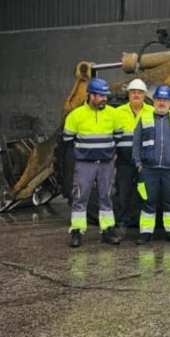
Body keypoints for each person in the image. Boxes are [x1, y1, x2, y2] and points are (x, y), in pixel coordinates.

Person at [63, 78, 120, 247]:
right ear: (91, 95)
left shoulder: (113, 114)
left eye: (106, 96)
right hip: (84, 164)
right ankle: (77, 231)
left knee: (106, 196)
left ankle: (107, 230)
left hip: (106, 164)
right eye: (101, 96)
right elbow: (67, 140)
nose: (105, 99)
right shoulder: (76, 115)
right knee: (80, 196)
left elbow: (117, 136)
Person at [132, 85, 170, 245]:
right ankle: (146, 233)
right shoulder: (144, 118)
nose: (162, 103)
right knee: (148, 201)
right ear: (154, 101)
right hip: (149, 169)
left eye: (165, 100)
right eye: (159, 99)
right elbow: (136, 143)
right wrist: (138, 164)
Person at [113, 79, 153, 240]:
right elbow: (111, 135)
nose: (136, 95)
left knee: (146, 194)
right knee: (123, 194)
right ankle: (122, 224)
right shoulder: (118, 112)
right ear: (128, 94)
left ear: (144, 95)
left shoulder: (152, 112)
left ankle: (145, 228)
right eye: (133, 92)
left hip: (145, 161)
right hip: (124, 161)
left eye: (139, 92)